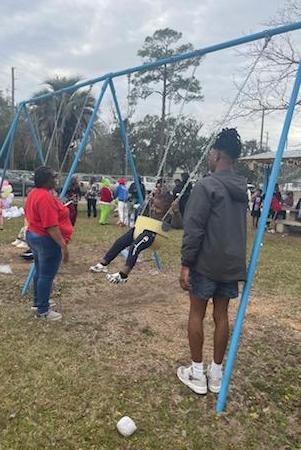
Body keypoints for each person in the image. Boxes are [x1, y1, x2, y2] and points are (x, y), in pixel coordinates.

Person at [178, 128, 247, 395]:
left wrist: (186, 263)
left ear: (216, 154)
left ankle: (197, 373)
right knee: (221, 316)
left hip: (206, 264)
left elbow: (194, 228)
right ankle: (216, 375)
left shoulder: (207, 185)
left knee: (197, 313)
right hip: (231, 264)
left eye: (211, 152)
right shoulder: (243, 189)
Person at [90, 192, 173, 284]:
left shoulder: (169, 215)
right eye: (154, 206)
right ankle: (103, 264)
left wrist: (176, 211)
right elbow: (143, 215)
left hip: (152, 235)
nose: (154, 208)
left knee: (134, 247)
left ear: (167, 208)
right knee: (120, 242)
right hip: (140, 229)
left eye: (158, 208)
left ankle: (123, 275)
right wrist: (148, 205)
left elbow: (178, 225)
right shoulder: (151, 210)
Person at [25, 166, 73, 321]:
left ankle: (38, 302)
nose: (55, 180)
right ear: (47, 180)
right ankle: (43, 310)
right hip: (46, 239)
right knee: (46, 275)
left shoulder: (34, 193)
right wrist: (63, 246)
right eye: (53, 177)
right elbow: (51, 226)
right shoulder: (45, 197)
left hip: (34, 235)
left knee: (39, 271)